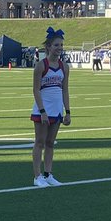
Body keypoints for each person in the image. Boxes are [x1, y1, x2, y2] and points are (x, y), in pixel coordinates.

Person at [30, 27, 72, 187]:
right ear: (48, 47)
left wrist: (67, 111)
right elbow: (35, 89)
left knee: (50, 143)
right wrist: (42, 112)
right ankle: (37, 176)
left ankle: (48, 174)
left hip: (57, 110)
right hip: (42, 110)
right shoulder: (41, 66)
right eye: (56, 45)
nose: (59, 48)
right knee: (39, 142)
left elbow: (65, 89)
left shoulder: (64, 67)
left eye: (61, 45)